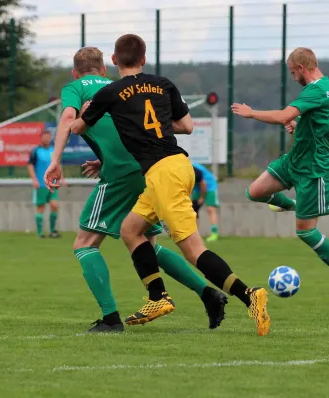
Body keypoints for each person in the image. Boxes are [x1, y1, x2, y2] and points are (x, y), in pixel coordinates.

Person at [69, 34, 270, 336]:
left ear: (113, 61)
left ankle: (249, 295)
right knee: (130, 230)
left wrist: (80, 113)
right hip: (177, 166)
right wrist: (150, 129)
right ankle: (157, 297)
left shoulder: (112, 92)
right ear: (144, 59)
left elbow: (77, 127)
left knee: (193, 250)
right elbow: (187, 126)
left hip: (163, 174)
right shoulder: (163, 84)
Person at [43, 46, 227, 333]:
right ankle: (209, 293)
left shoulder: (75, 87)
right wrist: (105, 159)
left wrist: (55, 162)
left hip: (120, 175)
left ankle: (110, 319)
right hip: (148, 169)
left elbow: (68, 119)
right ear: (104, 69)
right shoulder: (120, 86)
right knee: (146, 243)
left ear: (75, 72)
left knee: (84, 243)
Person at [232, 47, 329, 303]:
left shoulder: (316, 90)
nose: (293, 78)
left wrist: (252, 113)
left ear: (302, 68)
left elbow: (282, 116)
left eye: (293, 72)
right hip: (295, 160)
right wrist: (301, 123)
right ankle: (291, 205)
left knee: (305, 232)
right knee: (255, 192)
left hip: (313, 169)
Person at [27, 130, 60, 238]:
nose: (47, 139)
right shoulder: (36, 151)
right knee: (41, 208)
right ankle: (40, 233)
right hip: (41, 184)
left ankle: (52, 231)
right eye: (45, 137)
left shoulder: (53, 151)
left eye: (48, 137)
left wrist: (60, 178)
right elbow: (30, 165)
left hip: (52, 184)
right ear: (41, 138)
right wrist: (34, 179)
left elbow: (57, 165)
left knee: (55, 205)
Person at [191, 162, 221, 242]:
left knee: (210, 209)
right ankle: (194, 235)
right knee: (193, 211)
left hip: (210, 185)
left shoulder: (193, 169)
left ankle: (214, 234)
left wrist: (202, 197)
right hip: (197, 187)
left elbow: (203, 184)